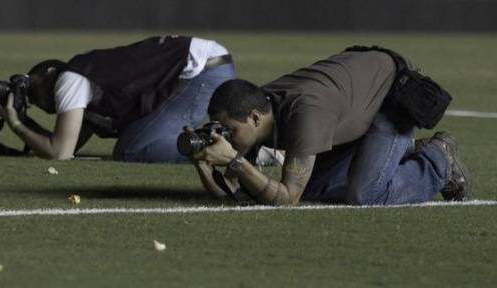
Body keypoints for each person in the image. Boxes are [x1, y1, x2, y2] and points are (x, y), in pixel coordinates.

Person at [191, 48, 472, 206]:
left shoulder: (304, 115)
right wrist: (204, 166)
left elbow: (287, 198)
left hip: (390, 97)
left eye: (229, 130)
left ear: (254, 118)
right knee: (313, 187)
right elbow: (237, 192)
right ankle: (396, 155)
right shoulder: (257, 107)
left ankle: (438, 159)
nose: (227, 137)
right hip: (353, 100)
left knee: (365, 193)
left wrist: (234, 160)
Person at [0, 35, 236, 162]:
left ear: (49, 73)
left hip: (203, 70)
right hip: (207, 64)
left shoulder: (69, 78)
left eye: (32, 86)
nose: (34, 97)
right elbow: (68, 145)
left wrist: (17, 125)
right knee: (137, 141)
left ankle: (238, 152)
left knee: (132, 149)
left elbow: (59, 152)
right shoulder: (86, 76)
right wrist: (24, 121)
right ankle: (232, 145)